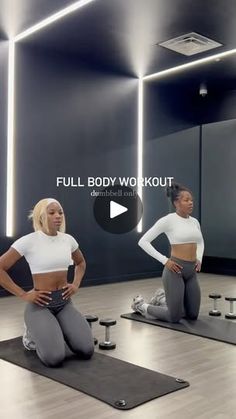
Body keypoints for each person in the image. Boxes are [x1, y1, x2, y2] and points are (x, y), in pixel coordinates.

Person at [0, 198, 94, 367]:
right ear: (41, 216)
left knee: (87, 350)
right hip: (40, 304)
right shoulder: (29, 241)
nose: (58, 216)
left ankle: (56, 330)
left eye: (60, 212)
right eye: (52, 213)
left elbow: (81, 263)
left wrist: (76, 284)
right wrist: (23, 294)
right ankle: (31, 335)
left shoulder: (68, 240)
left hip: (64, 302)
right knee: (54, 358)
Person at [132, 183, 204, 323]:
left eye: (191, 200)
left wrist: (199, 258)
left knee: (192, 315)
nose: (191, 203)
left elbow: (200, 242)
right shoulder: (168, 220)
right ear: (176, 202)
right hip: (174, 271)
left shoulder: (194, 222)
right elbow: (143, 241)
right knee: (174, 317)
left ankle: (161, 297)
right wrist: (165, 260)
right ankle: (141, 305)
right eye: (186, 200)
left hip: (191, 272)